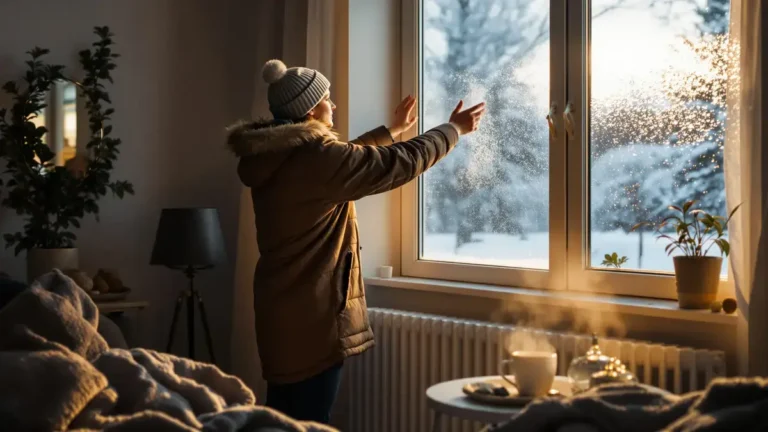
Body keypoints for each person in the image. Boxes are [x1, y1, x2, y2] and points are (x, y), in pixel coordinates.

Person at [226, 59, 485, 424]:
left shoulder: (277, 154)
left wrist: (391, 130)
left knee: (282, 418)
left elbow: (345, 160)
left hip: (281, 314)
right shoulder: (317, 159)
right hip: (312, 319)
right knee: (307, 422)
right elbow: (398, 162)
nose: (334, 106)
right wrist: (452, 130)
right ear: (311, 110)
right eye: (327, 99)